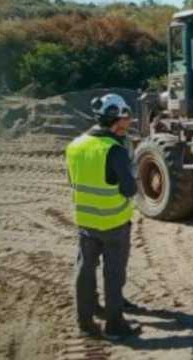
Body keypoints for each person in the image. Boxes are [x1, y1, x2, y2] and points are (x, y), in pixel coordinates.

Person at [65, 93, 141, 340]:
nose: (129, 122)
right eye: (126, 117)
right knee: (114, 273)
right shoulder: (114, 150)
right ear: (116, 120)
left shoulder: (75, 145)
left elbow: (72, 181)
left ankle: (86, 322)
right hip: (113, 223)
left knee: (85, 269)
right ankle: (115, 324)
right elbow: (129, 189)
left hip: (85, 221)